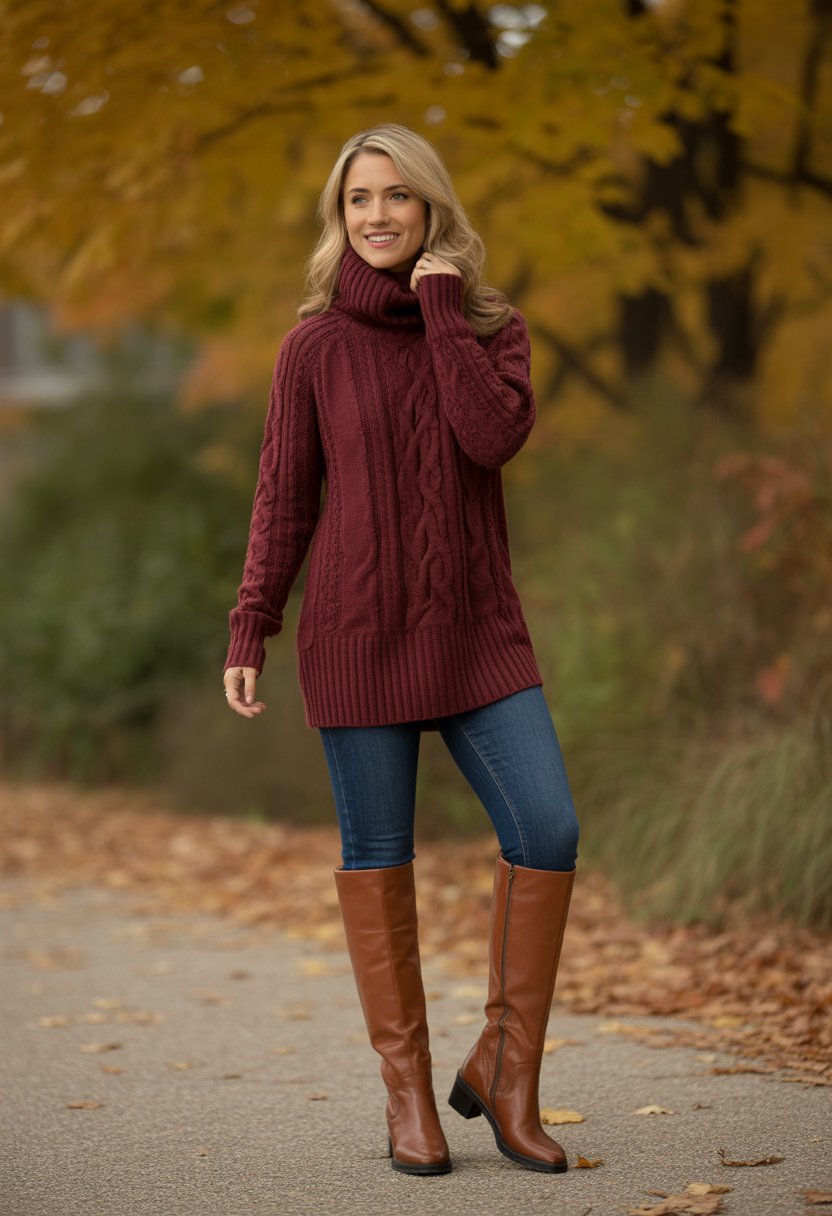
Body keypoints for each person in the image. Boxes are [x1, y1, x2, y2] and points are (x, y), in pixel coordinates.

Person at [222, 123, 580, 1177]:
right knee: (379, 859)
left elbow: (488, 437)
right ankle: (410, 1098)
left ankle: (507, 1078)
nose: (375, 215)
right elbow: (284, 494)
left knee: (548, 827)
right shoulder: (312, 348)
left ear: (430, 209)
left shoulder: (486, 326)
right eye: (356, 200)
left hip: (478, 637)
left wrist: (439, 311)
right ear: (340, 218)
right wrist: (253, 620)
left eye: (396, 197)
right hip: (357, 632)